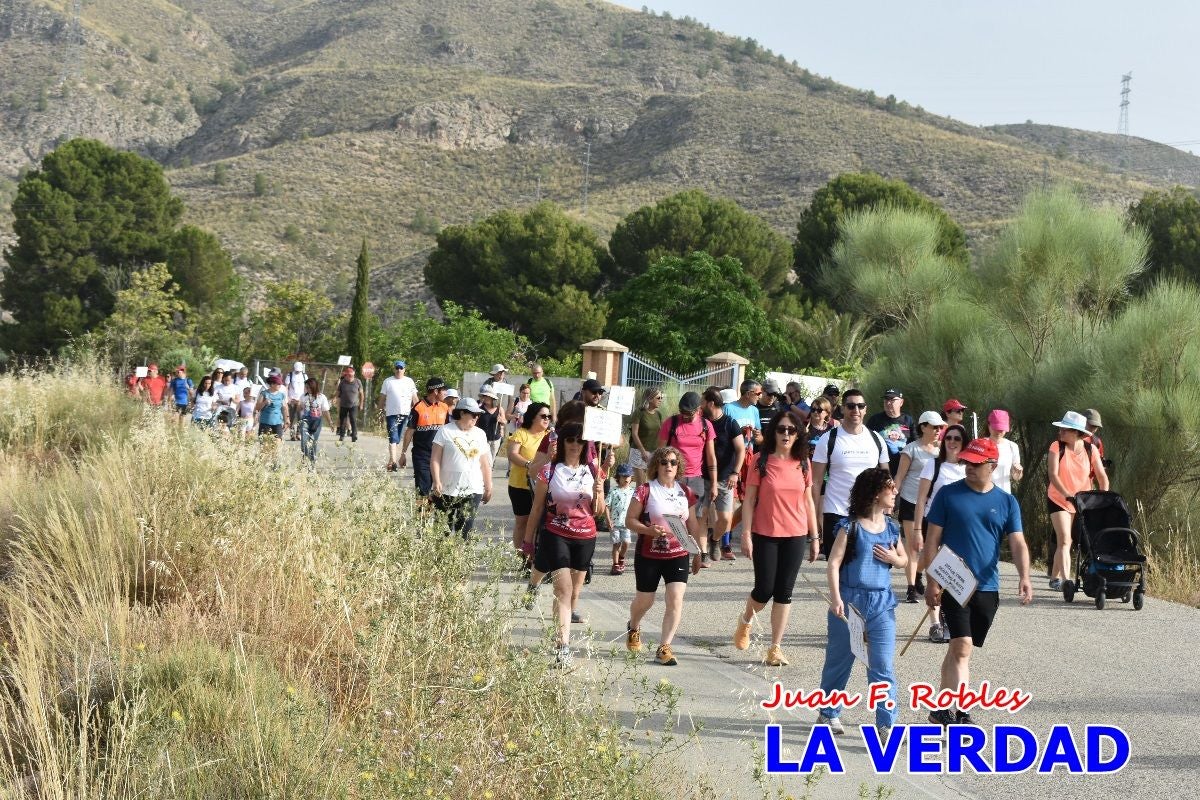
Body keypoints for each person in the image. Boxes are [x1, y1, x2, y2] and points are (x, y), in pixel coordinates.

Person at [919, 437, 1032, 730]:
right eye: (967, 461)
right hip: (951, 583)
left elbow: (1017, 542)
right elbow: (932, 541)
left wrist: (1024, 576)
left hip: (987, 587)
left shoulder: (1007, 502)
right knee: (962, 647)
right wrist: (931, 581)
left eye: (977, 463)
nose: (969, 467)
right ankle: (962, 713)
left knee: (958, 648)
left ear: (993, 466)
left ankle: (941, 710)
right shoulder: (948, 495)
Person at [816, 467, 907, 737]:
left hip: (882, 604)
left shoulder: (892, 527)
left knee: (881, 664)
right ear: (876, 492)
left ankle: (886, 724)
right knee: (840, 660)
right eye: (890, 488)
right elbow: (833, 564)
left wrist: (895, 560)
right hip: (849, 600)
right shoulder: (850, 527)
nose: (895, 492)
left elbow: (904, 560)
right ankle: (828, 712)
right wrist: (835, 599)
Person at [733, 410, 818, 666]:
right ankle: (745, 620)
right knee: (764, 590)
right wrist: (746, 534)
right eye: (781, 429)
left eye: (791, 430)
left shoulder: (803, 462)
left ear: (798, 434)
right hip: (765, 533)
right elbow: (748, 502)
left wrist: (815, 536)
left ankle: (775, 648)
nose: (786, 434)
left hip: (796, 534)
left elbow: (808, 502)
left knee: (785, 592)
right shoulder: (760, 461)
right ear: (774, 433)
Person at [522, 421, 603, 667]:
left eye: (580, 441)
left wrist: (599, 492)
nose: (575, 445)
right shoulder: (549, 470)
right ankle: (563, 646)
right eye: (570, 440)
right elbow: (537, 507)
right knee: (563, 590)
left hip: (585, 536)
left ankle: (535, 588)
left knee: (574, 593)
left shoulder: (593, 472)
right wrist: (527, 540)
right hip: (556, 532)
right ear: (563, 442)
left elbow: (598, 513)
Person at [624, 446, 704, 667]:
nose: (669, 466)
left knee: (675, 599)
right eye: (664, 462)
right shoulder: (645, 490)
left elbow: (693, 524)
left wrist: (699, 552)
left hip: (678, 553)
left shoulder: (685, 492)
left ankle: (664, 647)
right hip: (649, 553)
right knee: (645, 601)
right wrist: (648, 530)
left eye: (673, 462)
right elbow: (629, 520)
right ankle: (633, 626)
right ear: (656, 466)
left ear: (678, 467)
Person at [811, 388, 889, 559]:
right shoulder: (828, 439)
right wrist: (815, 518)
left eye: (860, 406)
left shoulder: (876, 439)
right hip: (836, 513)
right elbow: (815, 483)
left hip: (869, 514)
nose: (856, 410)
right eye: (851, 406)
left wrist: (886, 511)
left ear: (866, 409)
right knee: (837, 570)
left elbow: (886, 480)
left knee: (864, 568)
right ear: (843, 408)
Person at [914, 423, 967, 642]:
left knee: (953, 575)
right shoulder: (933, 465)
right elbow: (921, 500)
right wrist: (917, 529)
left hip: (959, 528)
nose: (952, 442)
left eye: (957, 439)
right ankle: (935, 623)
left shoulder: (968, 468)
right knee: (935, 573)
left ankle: (951, 620)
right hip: (933, 525)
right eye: (949, 438)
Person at [1047, 410, 1109, 591]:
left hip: (1082, 502)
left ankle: (1054, 578)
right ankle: (1067, 582)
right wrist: (1067, 494)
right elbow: (1053, 474)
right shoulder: (1056, 446)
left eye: (1064, 430)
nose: (1060, 432)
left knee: (1066, 542)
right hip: (1058, 498)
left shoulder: (1091, 449)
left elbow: (1102, 478)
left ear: (1076, 432)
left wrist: (1102, 499)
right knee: (1065, 540)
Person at [893, 411, 945, 603]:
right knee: (914, 547)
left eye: (940, 427)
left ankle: (918, 573)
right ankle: (911, 588)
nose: (938, 430)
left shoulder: (943, 452)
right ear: (923, 427)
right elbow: (899, 476)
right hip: (911, 502)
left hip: (934, 506)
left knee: (935, 547)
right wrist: (891, 499)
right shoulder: (911, 449)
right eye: (934, 427)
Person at [430, 398, 493, 539]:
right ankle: (440, 560)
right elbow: (435, 459)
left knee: (465, 529)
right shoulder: (445, 431)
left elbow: (484, 462)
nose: (476, 418)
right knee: (442, 529)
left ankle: (460, 558)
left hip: (472, 489)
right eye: (474, 414)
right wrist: (436, 480)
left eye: (478, 415)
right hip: (446, 489)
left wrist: (488, 486)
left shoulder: (480, 434)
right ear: (462, 413)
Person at [700, 387, 745, 563]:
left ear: (711, 403)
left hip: (726, 478)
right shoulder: (702, 422)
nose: (701, 405)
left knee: (726, 520)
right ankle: (703, 554)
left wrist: (735, 473)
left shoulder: (730, 423)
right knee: (701, 517)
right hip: (702, 477)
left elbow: (741, 450)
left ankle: (715, 540)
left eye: (703, 401)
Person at [507, 402, 551, 568]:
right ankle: (522, 559)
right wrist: (530, 465)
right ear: (533, 416)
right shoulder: (521, 434)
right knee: (522, 522)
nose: (547, 419)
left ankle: (537, 558)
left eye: (549, 416)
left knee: (540, 523)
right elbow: (512, 454)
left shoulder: (550, 435)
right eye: (543, 416)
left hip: (543, 487)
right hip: (520, 485)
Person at [659, 391, 718, 511]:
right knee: (672, 516)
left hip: (696, 479)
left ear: (698, 410)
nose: (685, 416)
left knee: (693, 519)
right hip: (673, 477)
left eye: (688, 413)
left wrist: (714, 484)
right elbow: (660, 454)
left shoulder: (706, 426)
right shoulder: (670, 423)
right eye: (682, 412)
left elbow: (711, 456)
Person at [402, 378, 451, 500]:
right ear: (435, 391)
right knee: (423, 490)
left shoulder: (445, 407)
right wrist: (403, 453)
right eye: (443, 390)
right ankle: (422, 517)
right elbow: (410, 431)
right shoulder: (418, 408)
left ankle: (436, 517)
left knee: (440, 490)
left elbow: (448, 431)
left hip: (440, 455)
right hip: (422, 455)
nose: (445, 393)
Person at [378, 360, 419, 472]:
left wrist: (419, 411)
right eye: (397, 368)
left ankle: (392, 461)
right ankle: (394, 462)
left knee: (398, 438)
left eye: (401, 368)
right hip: (391, 414)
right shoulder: (388, 381)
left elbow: (415, 398)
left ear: (404, 369)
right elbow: (382, 398)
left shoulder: (409, 381)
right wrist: (380, 412)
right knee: (393, 437)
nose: (399, 370)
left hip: (405, 414)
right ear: (394, 369)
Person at [867, 388, 914, 476]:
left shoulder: (908, 420)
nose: (888, 403)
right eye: (886, 399)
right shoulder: (875, 420)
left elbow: (913, 443)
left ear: (901, 402)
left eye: (892, 400)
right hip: (881, 471)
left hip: (904, 469)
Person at [629, 388, 665, 484]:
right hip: (638, 452)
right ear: (649, 398)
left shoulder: (659, 414)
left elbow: (661, 434)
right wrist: (643, 451)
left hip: (653, 453)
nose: (661, 399)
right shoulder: (639, 412)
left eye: (662, 397)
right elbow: (634, 433)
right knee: (641, 486)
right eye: (658, 397)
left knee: (651, 485)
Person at [607, 463, 636, 575]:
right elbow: (607, 506)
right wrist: (608, 520)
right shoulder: (614, 490)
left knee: (627, 542)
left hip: (627, 523)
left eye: (628, 476)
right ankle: (615, 565)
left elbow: (635, 506)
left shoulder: (632, 491)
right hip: (615, 523)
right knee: (616, 544)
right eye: (624, 476)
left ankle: (621, 558)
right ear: (618, 477)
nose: (626, 479)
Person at [296, 377, 333, 464]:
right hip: (305, 420)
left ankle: (312, 464)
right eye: (306, 387)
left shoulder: (322, 397)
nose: (307, 389)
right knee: (304, 441)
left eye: (308, 387)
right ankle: (305, 461)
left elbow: (325, 411)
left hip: (317, 422)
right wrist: (299, 405)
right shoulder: (303, 396)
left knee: (312, 442)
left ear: (313, 387)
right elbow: (299, 409)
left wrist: (330, 422)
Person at [986, 409, 1023, 494]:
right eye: (996, 427)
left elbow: (1016, 477)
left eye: (1001, 428)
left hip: (1004, 495)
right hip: (983, 495)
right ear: (989, 425)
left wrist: (1018, 473)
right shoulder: (980, 444)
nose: (998, 432)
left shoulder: (1012, 446)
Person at [334, 366, 364, 442]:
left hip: (354, 405)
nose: (349, 374)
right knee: (342, 420)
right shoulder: (342, 382)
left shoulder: (358, 382)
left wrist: (361, 404)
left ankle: (354, 435)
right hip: (343, 405)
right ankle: (342, 435)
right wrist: (335, 398)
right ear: (346, 374)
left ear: (354, 373)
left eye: (350, 372)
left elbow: (361, 394)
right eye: (347, 373)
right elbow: (338, 392)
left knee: (353, 419)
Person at [477, 388, 508, 460]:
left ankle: (490, 470)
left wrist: (501, 420)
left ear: (492, 398)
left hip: (496, 438)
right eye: (483, 396)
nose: (484, 398)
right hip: (483, 439)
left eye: (486, 396)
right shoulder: (479, 408)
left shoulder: (500, 409)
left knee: (492, 459)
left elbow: (505, 421)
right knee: (484, 458)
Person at [255, 374, 289, 440]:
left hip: (278, 423)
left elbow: (284, 409)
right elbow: (257, 408)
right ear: (272, 384)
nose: (280, 386)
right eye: (278, 384)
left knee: (277, 443)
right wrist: (264, 402)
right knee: (265, 445)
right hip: (265, 422)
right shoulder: (264, 394)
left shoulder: (281, 395)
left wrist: (286, 420)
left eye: (280, 384)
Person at [284, 361, 308, 441]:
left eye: (299, 370)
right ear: (294, 368)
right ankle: (292, 433)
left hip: (300, 400)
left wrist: (305, 399)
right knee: (291, 417)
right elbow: (286, 387)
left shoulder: (305, 376)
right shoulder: (289, 375)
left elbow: (306, 388)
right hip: (292, 399)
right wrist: (287, 398)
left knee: (301, 417)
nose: (298, 371)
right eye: (296, 370)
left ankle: (298, 433)